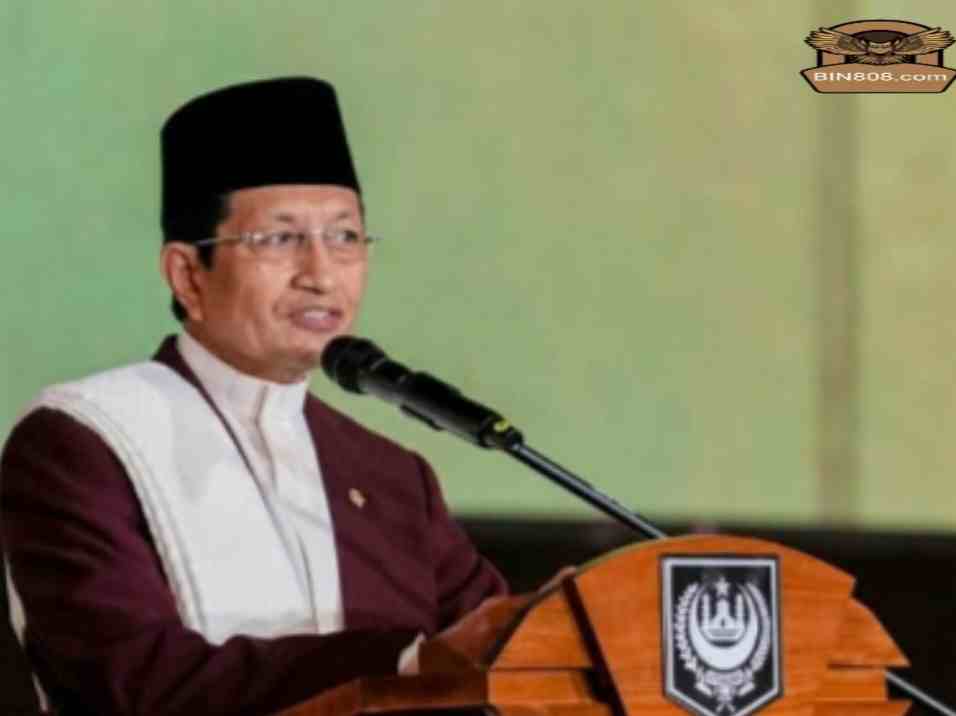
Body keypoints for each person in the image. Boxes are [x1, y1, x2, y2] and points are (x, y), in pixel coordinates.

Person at [0, 77, 507, 716]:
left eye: (345, 237)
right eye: (279, 239)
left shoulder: (392, 477)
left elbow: (504, 656)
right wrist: (404, 662)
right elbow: (130, 679)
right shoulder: (84, 439)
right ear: (188, 273)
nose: (321, 274)